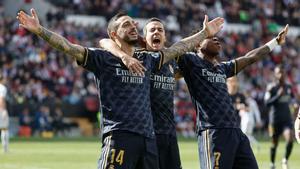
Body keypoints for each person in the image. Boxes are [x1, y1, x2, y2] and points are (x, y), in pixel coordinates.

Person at [17, 9, 223, 169]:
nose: (133, 26)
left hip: (148, 140)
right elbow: (69, 47)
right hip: (119, 137)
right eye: (127, 25)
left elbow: (178, 47)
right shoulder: (103, 58)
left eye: (133, 24)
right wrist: (39, 31)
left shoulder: (148, 59)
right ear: (115, 34)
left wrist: (204, 33)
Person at [175, 26, 288, 169]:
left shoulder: (222, 68)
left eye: (216, 37)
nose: (216, 39)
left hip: (236, 132)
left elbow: (250, 57)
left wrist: (275, 42)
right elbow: (174, 50)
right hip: (213, 132)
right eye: (210, 38)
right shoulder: (191, 61)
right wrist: (202, 33)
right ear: (197, 44)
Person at [100, 17, 183, 169]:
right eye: (152, 30)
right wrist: (124, 56)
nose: (156, 32)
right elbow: (104, 42)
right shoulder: (138, 58)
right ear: (144, 39)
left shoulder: (172, 63)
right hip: (148, 133)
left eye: (160, 30)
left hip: (169, 133)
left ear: (165, 37)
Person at [264, 65, 295, 169]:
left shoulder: (289, 87)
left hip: (286, 120)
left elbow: (293, 99)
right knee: (274, 144)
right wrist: (277, 96)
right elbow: (266, 103)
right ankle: (272, 164)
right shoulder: (271, 87)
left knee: (290, 137)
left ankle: (285, 160)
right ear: (275, 75)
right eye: (278, 73)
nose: (281, 75)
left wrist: (294, 104)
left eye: (282, 72)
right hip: (274, 121)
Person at [227, 77, 262, 151]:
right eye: (231, 81)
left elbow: (248, 108)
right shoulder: (224, 95)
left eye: (235, 81)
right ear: (227, 83)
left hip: (237, 125)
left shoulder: (241, 96)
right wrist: (235, 106)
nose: (233, 84)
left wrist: (243, 108)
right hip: (226, 124)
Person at [0, 74, 9, 153]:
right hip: (1, 109)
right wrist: (3, 110)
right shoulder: (3, 88)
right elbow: (2, 99)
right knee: (4, 128)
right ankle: (5, 147)